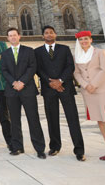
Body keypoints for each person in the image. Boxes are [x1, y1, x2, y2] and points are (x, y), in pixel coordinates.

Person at [35, 26, 85, 161]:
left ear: (55, 34)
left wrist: (60, 81)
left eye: (51, 32)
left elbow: (70, 66)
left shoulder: (64, 49)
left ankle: (79, 150)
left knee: (73, 119)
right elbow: (38, 69)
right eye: (46, 33)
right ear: (43, 36)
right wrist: (50, 82)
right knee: (52, 119)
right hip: (48, 88)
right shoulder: (37, 51)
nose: (49, 35)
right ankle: (55, 146)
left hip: (65, 88)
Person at [73, 31, 105, 166]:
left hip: (102, 89)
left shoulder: (100, 52)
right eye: (81, 39)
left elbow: (104, 70)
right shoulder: (77, 55)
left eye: (86, 39)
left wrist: (94, 84)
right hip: (88, 92)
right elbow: (76, 73)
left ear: (91, 39)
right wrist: (86, 85)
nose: (84, 41)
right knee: (100, 120)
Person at [1, 27, 46, 159]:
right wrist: (14, 83)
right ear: (8, 38)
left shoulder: (29, 51)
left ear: (19, 36)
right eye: (10, 36)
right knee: (14, 120)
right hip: (12, 91)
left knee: (33, 119)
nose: (13, 37)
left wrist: (22, 82)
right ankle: (17, 147)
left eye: (15, 35)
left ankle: (39, 148)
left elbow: (32, 67)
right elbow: (4, 70)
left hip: (27, 90)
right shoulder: (5, 54)